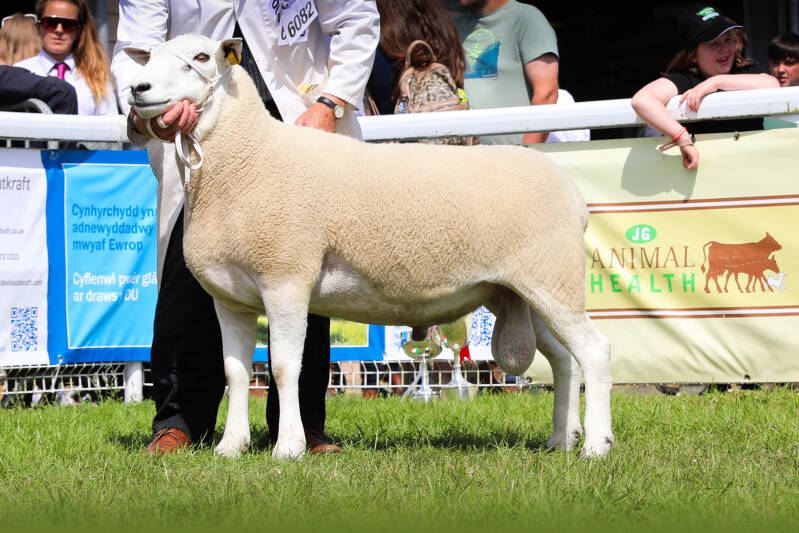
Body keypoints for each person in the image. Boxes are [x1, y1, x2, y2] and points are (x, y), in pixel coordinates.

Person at [111, 1, 379, 455]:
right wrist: (144, 116)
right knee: (189, 273)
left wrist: (331, 101)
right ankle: (178, 421)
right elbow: (136, 49)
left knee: (297, 276)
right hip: (196, 126)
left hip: (295, 115)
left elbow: (356, 18)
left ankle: (301, 424)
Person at [631, 5, 778, 170]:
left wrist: (716, 82)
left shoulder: (745, 71)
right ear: (693, 54)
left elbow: (772, 84)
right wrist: (681, 138)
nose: (724, 49)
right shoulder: (685, 80)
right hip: (705, 176)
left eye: (728, 39)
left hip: (753, 171)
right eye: (713, 44)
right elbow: (642, 100)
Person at [454, 0, 559, 145]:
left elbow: (547, 94)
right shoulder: (453, 26)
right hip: (462, 158)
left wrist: (525, 153)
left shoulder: (527, 18)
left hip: (511, 160)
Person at [13, 0, 115, 116]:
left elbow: (110, 125)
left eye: (68, 25)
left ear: (78, 31)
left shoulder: (98, 76)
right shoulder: (20, 71)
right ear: (38, 27)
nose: (59, 30)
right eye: (50, 23)